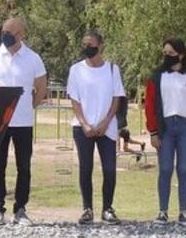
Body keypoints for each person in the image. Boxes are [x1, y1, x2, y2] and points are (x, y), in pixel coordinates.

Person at [0, 16, 48, 226]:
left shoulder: (33, 58)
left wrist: (30, 105)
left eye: (10, 33)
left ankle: (21, 210)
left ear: (21, 34)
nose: (5, 36)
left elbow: (41, 87)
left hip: (23, 123)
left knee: (23, 166)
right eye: (4, 32)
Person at [144, 37, 186, 225]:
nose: (167, 56)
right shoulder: (157, 77)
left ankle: (184, 212)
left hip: (185, 127)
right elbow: (149, 105)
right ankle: (163, 211)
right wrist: (153, 132)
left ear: (181, 54)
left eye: (171, 53)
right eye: (165, 53)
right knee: (165, 169)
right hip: (165, 128)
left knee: (184, 169)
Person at [66, 30, 126, 225]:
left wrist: (106, 122)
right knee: (86, 168)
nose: (87, 48)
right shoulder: (76, 70)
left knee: (109, 168)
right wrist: (84, 123)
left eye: (91, 45)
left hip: (107, 127)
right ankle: (87, 209)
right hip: (82, 127)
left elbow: (116, 98)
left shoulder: (112, 70)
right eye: (84, 45)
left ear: (100, 46)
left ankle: (107, 208)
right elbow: (74, 99)